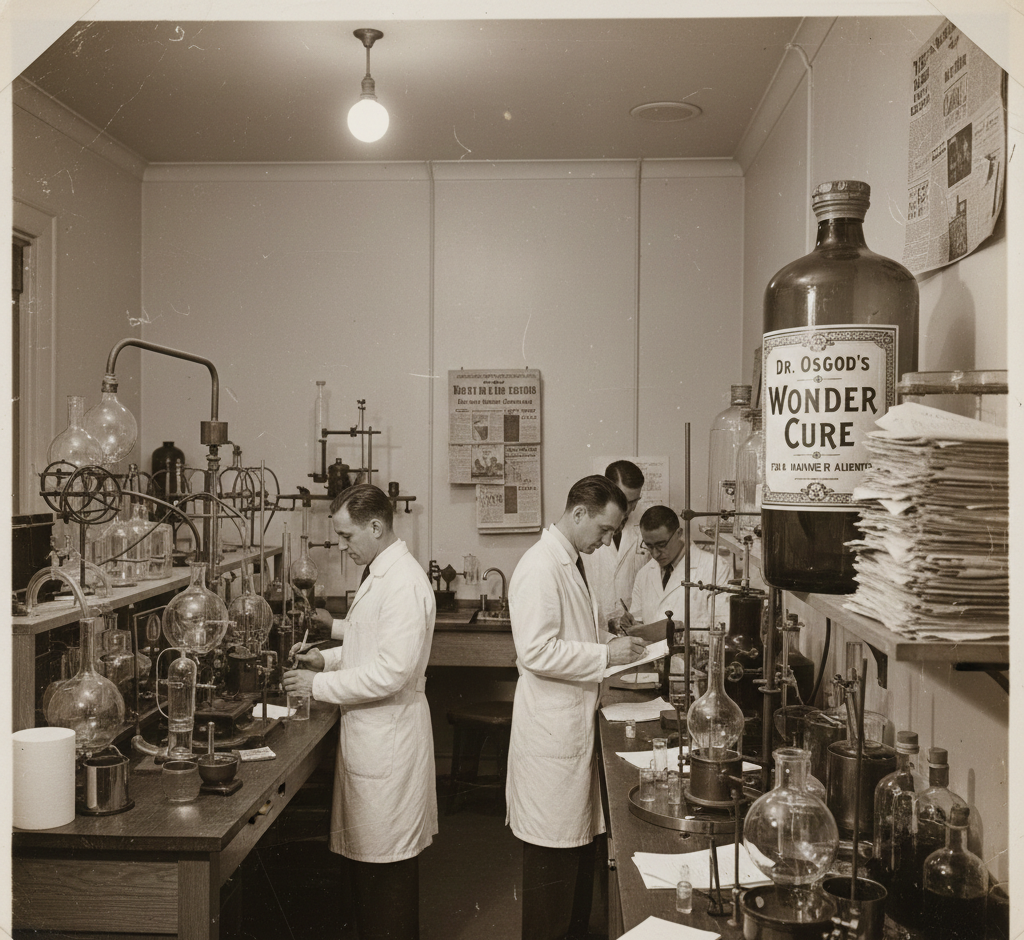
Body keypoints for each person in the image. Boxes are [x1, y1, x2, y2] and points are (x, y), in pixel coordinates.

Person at [283, 483, 436, 940]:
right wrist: (324, 659)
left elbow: (391, 672)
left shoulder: (404, 583)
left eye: (347, 536)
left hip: (389, 737)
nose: (342, 546)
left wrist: (318, 685)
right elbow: (370, 641)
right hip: (374, 734)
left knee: (386, 875)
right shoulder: (381, 573)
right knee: (372, 872)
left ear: (375, 526)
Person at [506, 475, 647, 940]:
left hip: (571, 728)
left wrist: (610, 641)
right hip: (551, 737)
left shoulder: (571, 562)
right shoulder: (539, 567)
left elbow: (573, 635)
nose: (606, 541)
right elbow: (536, 651)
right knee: (552, 868)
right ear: (579, 513)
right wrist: (606, 654)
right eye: (604, 530)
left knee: (575, 861)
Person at [624, 504, 732, 633]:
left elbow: (723, 627)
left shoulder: (716, 567)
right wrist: (632, 625)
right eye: (649, 546)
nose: (655, 554)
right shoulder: (644, 573)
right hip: (652, 647)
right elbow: (638, 620)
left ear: (679, 534)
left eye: (661, 545)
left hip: (693, 646)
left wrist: (677, 633)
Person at [582, 460, 646, 632]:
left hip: (635, 625)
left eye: (635, 501)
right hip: (595, 626)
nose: (631, 508)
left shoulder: (645, 524)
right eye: (625, 500)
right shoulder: (587, 524)